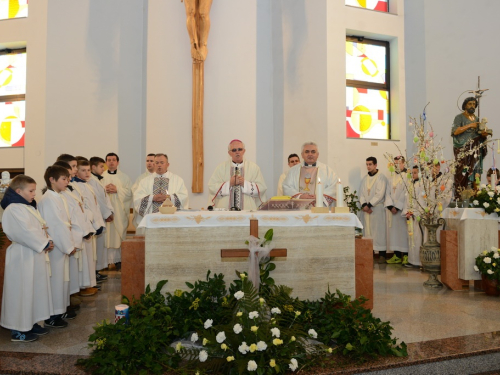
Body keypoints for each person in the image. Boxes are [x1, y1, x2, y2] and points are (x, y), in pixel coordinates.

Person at [0, 175, 54, 342]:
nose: (34, 194)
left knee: (34, 290)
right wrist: (44, 243)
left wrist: (47, 239)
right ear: (18, 191)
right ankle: (18, 329)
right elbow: (24, 232)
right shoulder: (13, 209)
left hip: (33, 254)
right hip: (21, 255)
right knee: (21, 291)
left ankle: (31, 322)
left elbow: (40, 227)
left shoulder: (28, 207)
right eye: (30, 191)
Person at [38, 166, 77, 328]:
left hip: (61, 245)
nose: (67, 182)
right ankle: (52, 315)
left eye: (68, 178)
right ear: (52, 180)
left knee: (62, 279)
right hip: (55, 246)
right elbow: (56, 225)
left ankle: (59, 310)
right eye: (64, 179)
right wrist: (68, 245)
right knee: (55, 280)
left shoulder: (58, 197)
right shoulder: (48, 199)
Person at [208, 139, 267, 210]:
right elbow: (212, 187)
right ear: (229, 153)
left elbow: (262, 188)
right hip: (225, 212)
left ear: (244, 151)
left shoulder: (253, 168)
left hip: (247, 211)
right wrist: (229, 184)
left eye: (240, 149)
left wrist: (245, 184)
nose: (237, 152)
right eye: (234, 150)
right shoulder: (221, 168)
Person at [134, 153, 189, 224]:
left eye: (162, 162)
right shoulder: (144, 181)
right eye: (157, 163)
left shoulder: (177, 180)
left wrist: (169, 198)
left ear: (167, 164)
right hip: (151, 220)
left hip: (171, 221)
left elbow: (184, 196)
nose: (159, 165)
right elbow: (138, 198)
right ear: (154, 165)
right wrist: (153, 198)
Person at [452, 97, 490, 192]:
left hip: (475, 148)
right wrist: (470, 125)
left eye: (474, 104)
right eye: (470, 104)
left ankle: (475, 193)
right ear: (465, 105)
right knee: (463, 171)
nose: (472, 106)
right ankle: (461, 193)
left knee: (475, 170)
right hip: (463, 149)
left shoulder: (476, 119)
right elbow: (455, 131)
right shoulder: (459, 117)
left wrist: (483, 134)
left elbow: (477, 133)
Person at [101, 153, 132, 270]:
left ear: (118, 162)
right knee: (106, 236)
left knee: (118, 235)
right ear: (106, 162)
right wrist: (104, 190)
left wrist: (117, 190)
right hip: (105, 212)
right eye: (109, 160)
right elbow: (95, 192)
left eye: (114, 160)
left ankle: (118, 260)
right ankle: (105, 262)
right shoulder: (101, 177)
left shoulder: (124, 177)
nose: (111, 162)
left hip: (119, 212)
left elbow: (130, 193)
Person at [282, 141, 337, 206]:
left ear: (318, 154)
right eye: (307, 152)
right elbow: (287, 187)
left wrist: (319, 196)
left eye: (313, 152)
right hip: (299, 208)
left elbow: (334, 187)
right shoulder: (293, 171)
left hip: (320, 208)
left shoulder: (328, 171)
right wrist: (300, 196)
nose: (310, 154)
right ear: (302, 155)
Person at [359, 157, 389, 264]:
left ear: (375, 165)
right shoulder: (364, 179)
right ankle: (369, 254)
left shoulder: (381, 178)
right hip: (367, 210)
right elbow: (361, 194)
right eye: (367, 164)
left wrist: (370, 205)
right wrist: (364, 205)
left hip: (377, 208)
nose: (368, 166)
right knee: (368, 231)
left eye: (370, 164)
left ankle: (382, 255)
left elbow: (380, 194)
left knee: (379, 231)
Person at [89, 156, 114, 282]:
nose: (103, 169)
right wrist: (107, 213)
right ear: (93, 167)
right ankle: (95, 272)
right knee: (96, 248)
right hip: (97, 217)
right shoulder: (92, 181)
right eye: (101, 166)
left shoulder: (96, 180)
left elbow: (104, 198)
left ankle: (97, 271)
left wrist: (108, 212)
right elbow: (99, 200)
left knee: (99, 247)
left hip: (100, 216)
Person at [385, 156, 409, 265]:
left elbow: (407, 193)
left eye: (398, 163)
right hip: (393, 210)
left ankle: (406, 256)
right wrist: (390, 206)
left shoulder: (407, 176)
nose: (396, 165)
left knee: (404, 233)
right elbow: (388, 193)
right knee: (394, 233)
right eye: (395, 163)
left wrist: (398, 206)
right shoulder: (391, 177)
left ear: (403, 164)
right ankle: (397, 255)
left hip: (402, 210)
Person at [131, 153, 156, 228]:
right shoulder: (141, 178)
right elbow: (135, 191)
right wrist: (148, 197)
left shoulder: (159, 177)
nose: (149, 163)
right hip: (144, 210)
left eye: (151, 161)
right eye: (147, 161)